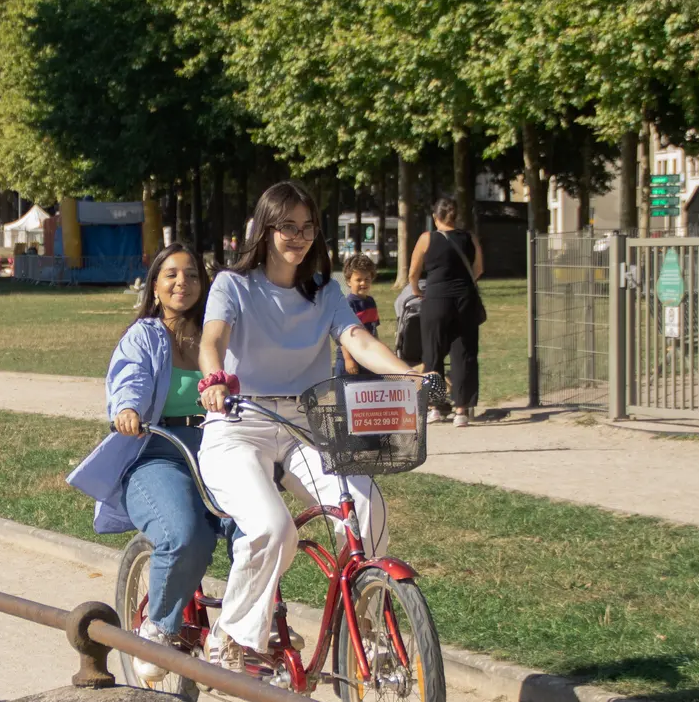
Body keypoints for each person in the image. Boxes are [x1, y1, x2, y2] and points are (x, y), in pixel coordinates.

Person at [196, 181, 421, 674]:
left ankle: (368, 628)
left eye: (306, 227)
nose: (296, 237)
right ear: (265, 229)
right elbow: (213, 337)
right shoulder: (233, 285)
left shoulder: (325, 292)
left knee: (366, 507)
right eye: (286, 227)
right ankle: (230, 634)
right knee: (274, 530)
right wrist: (214, 378)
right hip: (240, 421)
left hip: (307, 423)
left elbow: (357, 338)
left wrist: (408, 373)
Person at [67, 244, 223, 686]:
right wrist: (128, 408)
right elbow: (131, 376)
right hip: (157, 449)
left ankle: (239, 632)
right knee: (183, 534)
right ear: (154, 285)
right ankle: (158, 630)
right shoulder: (144, 335)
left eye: (192, 275)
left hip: (219, 451)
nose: (182, 283)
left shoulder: (217, 336)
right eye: (171, 274)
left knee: (264, 530)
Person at [406, 197, 484, 426]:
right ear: (455, 216)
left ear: (435, 217)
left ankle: (435, 407)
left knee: (432, 352)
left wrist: (417, 292)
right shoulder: (470, 238)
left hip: (436, 299)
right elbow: (479, 268)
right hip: (465, 300)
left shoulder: (426, 239)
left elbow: (413, 272)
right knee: (465, 353)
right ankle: (461, 410)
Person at [339, 254, 381, 375]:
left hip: (368, 355)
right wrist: (348, 359)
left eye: (367, 279)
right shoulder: (347, 304)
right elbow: (342, 336)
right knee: (348, 392)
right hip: (350, 358)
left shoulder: (370, 302)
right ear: (348, 281)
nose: (363, 283)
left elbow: (374, 330)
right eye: (358, 280)